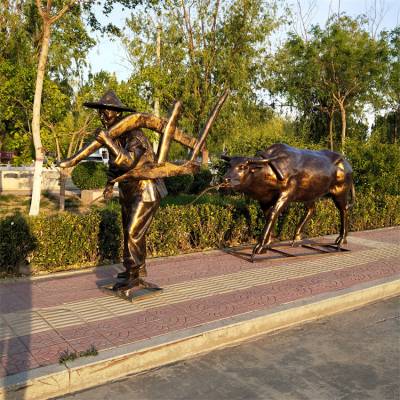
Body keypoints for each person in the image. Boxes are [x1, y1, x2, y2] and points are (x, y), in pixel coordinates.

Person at [84, 90, 167, 290]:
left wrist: (107, 141)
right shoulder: (117, 136)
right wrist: (109, 184)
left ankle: (134, 273)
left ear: (118, 114)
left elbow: (130, 162)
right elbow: (115, 165)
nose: (103, 115)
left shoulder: (134, 134)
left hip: (146, 189)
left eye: (107, 112)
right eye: (101, 111)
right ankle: (136, 270)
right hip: (128, 190)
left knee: (133, 232)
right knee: (131, 231)